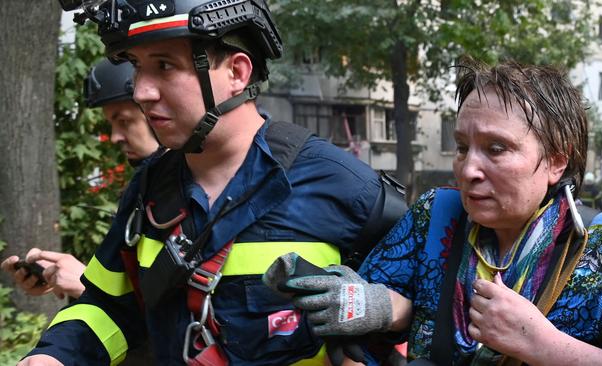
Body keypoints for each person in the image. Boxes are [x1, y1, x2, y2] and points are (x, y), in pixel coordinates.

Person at [17, 0, 405, 365]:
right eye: (137, 66)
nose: (140, 91)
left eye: (165, 66)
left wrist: (388, 315)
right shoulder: (148, 190)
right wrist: (53, 356)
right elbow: (109, 309)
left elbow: (426, 311)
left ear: (237, 72)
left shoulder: (343, 185)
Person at [265, 61, 602, 365]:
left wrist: (544, 346)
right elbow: (374, 320)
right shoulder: (435, 216)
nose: (467, 170)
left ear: (555, 161)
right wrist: (376, 307)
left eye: (496, 148)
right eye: (463, 146)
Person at [1, 60, 160, 301]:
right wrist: (68, 276)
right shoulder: (145, 189)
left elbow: (176, 313)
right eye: (111, 124)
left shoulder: (187, 194)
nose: (115, 137)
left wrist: (85, 285)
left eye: (124, 121)